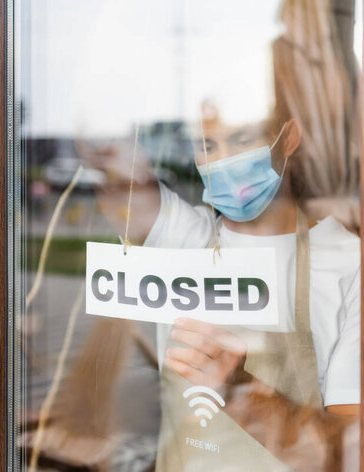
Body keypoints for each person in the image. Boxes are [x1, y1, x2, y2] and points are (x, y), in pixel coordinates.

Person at [85, 107, 360, 471]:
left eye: (243, 139)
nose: (223, 160)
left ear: (289, 138)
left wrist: (243, 393)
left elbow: (350, 454)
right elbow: (112, 164)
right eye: (207, 144)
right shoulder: (182, 238)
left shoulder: (348, 263)